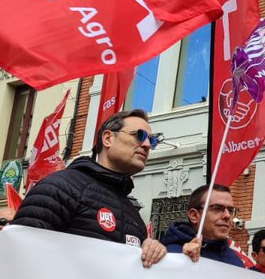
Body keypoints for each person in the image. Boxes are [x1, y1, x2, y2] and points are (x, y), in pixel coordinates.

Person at [10, 108, 166, 267]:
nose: (147, 145)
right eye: (139, 135)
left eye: (152, 141)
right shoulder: (62, 187)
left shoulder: (134, 215)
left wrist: (152, 251)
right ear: (108, 138)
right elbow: (19, 253)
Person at [162, 184, 246, 267]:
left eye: (230, 210)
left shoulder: (236, 261)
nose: (227, 215)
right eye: (217, 209)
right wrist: (182, 262)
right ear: (194, 215)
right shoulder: (166, 254)